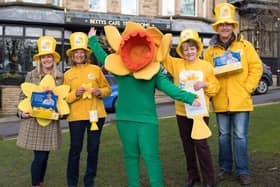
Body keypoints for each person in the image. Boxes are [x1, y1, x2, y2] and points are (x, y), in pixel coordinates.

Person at [88, 22, 201, 187]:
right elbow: (103, 56)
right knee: (130, 156)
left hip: (147, 121)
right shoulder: (119, 67)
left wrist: (190, 98)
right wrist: (92, 40)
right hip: (125, 120)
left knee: (150, 156)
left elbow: (171, 89)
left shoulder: (154, 72)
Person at [203, 3, 263, 185]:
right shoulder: (210, 51)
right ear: (217, 27)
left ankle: (243, 171)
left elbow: (256, 67)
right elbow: (206, 73)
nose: (225, 27)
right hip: (220, 101)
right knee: (222, 137)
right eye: (221, 24)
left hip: (241, 100)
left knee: (240, 137)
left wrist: (248, 87)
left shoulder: (245, 46)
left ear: (233, 26)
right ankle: (225, 168)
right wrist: (212, 91)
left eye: (228, 24)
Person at [162, 29, 220, 187]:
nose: (189, 52)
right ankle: (193, 176)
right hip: (182, 112)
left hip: (200, 112)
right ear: (181, 50)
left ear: (198, 49)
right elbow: (162, 56)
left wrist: (205, 84)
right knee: (187, 145)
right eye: (185, 48)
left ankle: (209, 179)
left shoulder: (206, 66)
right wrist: (164, 38)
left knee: (201, 145)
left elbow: (215, 87)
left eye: (192, 48)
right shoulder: (175, 64)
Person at [63, 32, 112, 187]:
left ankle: (89, 181)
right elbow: (64, 98)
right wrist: (74, 94)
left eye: (81, 52)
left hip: (96, 116)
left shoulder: (96, 69)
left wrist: (100, 92)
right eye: (76, 52)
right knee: (75, 150)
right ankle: (72, 182)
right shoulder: (68, 74)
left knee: (93, 150)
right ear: (72, 55)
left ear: (85, 54)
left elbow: (108, 89)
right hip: (76, 117)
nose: (79, 55)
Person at [16, 36, 63, 187]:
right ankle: (36, 184)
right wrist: (21, 113)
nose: (46, 60)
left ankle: (40, 182)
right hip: (33, 122)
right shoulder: (31, 75)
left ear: (53, 59)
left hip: (50, 122)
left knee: (45, 156)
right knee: (40, 157)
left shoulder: (60, 77)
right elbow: (22, 97)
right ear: (40, 59)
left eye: (49, 56)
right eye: (44, 57)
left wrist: (62, 112)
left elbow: (62, 100)